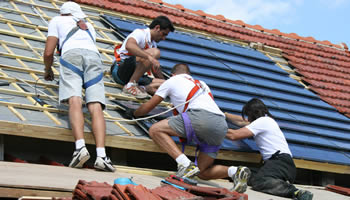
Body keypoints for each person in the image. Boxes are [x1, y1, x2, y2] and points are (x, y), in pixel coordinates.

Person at [126, 63, 251, 193]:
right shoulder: (201, 84)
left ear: (173, 74)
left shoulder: (172, 80)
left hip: (200, 117)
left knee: (156, 130)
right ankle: (235, 171)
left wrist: (134, 113)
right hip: (220, 124)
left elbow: (149, 107)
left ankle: (185, 165)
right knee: (202, 172)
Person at [43, 2, 115, 172]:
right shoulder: (88, 25)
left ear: (63, 13)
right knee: (95, 105)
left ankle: (80, 148)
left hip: (71, 56)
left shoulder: (57, 20)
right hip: (94, 59)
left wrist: (48, 70)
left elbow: (48, 53)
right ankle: (102, 155)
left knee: (75, 100)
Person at [225, 98, 313, 200]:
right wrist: (225, 115)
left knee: (259, 181)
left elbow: (234, 135)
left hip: (279, 162)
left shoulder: (262, 122)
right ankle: (280, 183)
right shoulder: (266, 121)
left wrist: (216, 126)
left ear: (253, 113)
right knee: (246, 173)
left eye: (249, 115)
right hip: (283, 165)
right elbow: (241, 121)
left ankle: (295, 192)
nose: (248, 119)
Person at [110, 15, 174, 99]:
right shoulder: (140, 33)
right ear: (157, 28)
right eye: (163, 34)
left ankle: (143, 88)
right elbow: (129, 45)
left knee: (167, 85)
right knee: (155, 52)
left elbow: (155, 71)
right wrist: (149, 57)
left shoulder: (153, 44)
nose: (164, 38)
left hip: (134, 75)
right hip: (121, 69)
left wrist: (169, 82)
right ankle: (130, 86)